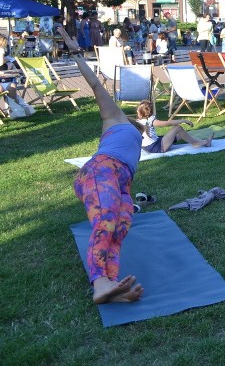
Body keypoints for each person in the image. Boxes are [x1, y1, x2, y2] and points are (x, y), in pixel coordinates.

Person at [55, 26, 144, 305]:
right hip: (100, 170)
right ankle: (99, 282)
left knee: (119, 228)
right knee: (105, 222)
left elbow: (152, 128)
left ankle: (111, 285)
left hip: (122, 180)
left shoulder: (136, 130)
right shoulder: (114, 118)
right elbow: (95, 84)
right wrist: (75, 52)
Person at [136, 100, 211, 153]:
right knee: (178, 128)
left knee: (181, 134)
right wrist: (183, 121)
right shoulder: (151, 121)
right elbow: (168, 123)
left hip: (149, 147)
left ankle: (197, 141)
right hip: (157, 148)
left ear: (140, 113)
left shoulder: (137, 122)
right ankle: (198, 143)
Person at [0, 34, 36, 117]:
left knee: (12, 86)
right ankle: (16, 110)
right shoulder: (2, 54)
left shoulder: (7, 58)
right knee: (3, 88)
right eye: (4, 45)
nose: (5, 47)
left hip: (5, 80)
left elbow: (8, 64)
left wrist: (7, 62)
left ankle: (14, 110)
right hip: (2, 81)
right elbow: (1, 62)